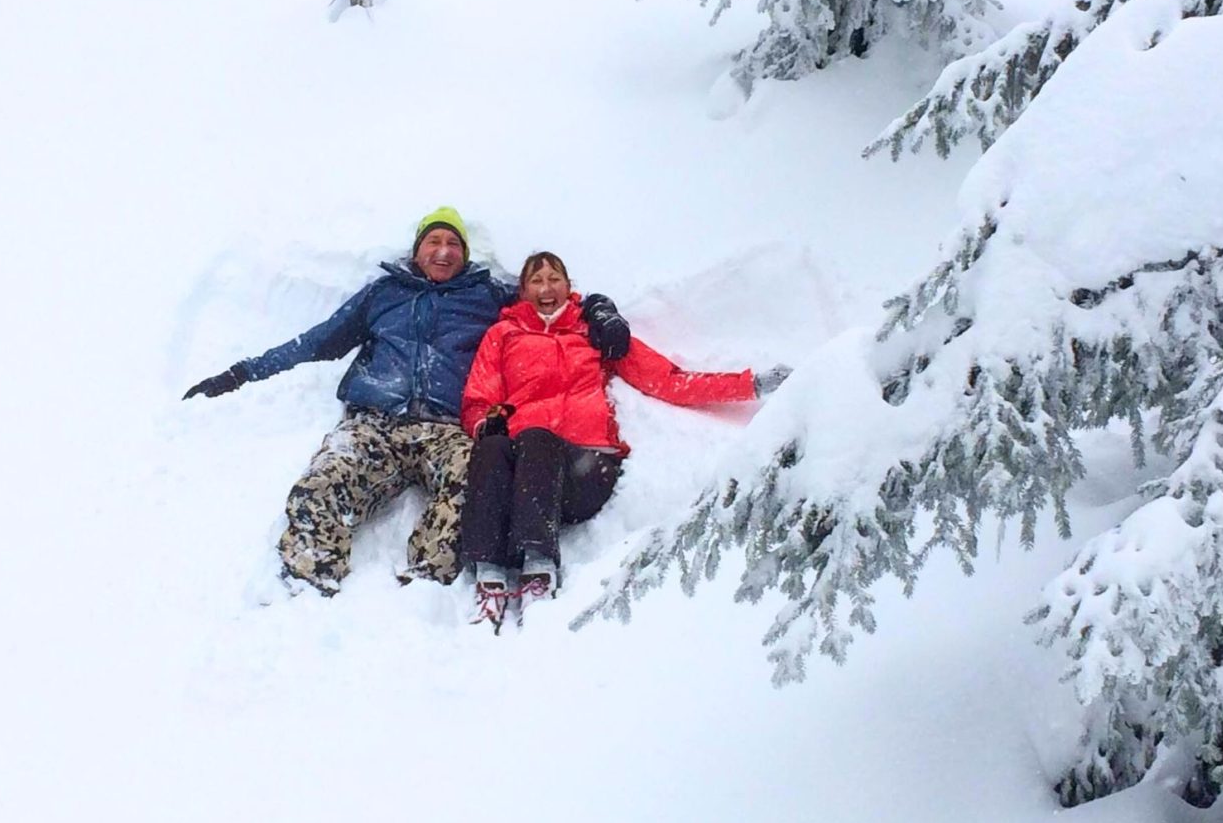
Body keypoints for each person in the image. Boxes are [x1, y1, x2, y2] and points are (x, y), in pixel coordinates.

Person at [183, 209, 632, 595]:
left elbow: (550, 297)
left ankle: (421, 590)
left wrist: (600, 309)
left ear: (466, 254)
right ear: (417, 250)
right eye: (433, 240)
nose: (443, 250)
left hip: (447, 429)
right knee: (320, 485)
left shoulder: (486, 295)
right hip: (374, 422)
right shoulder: (384, 293)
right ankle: (307, 584)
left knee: (475, 495)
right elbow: (318, 341)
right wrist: (242, 372)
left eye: (453, 242)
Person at [459, 250, 790, 625]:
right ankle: (488, 574)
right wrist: (485, 423)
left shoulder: (593, 331)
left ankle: (538, 570)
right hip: (525, 471)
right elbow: (478, 400)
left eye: (555, 279)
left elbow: (667, 380)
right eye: (536, 281)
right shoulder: (503, 334)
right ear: (522, 291)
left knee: (537, 438)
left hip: (585, 469)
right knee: (492, 447)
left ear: (569, 287)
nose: (546, 288)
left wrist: (749, 384)